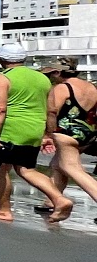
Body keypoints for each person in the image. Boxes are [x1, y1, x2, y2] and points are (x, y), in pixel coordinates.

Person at [0, 42, 71, 222]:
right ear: (23, 59)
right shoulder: (42, 79)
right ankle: (59, 199)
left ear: (1, 59)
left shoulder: (2, 77)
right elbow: (51, 109)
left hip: (8, 131)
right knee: (27, 169)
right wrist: (47, 135)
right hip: (33, 130)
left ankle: (3, 211)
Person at [43, 58, 97, 212]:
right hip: (87, 133)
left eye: (52, 74)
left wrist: (47, 134)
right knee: (57, 165)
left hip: (66, 133)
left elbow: (52, 112)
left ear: (58, 72)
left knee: (71, 167)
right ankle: (51, 201)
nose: (52, 77)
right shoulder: (91, 87)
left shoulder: (62, 88)